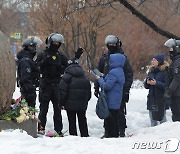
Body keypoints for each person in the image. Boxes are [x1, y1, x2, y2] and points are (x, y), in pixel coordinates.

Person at [94, 35, 133, 137]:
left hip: (118, 89)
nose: (111, 46)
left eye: (113, 44)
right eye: (109, 44)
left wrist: (126, 90)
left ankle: (121, 130)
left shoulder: (122, 59)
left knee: (119, 111)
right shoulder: (105, 58)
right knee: (107, 110)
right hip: (106, 87)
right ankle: (108, 131)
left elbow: (129, 75)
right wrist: (96, 87)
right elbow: (98, 72)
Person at [36, 33, 68, 135]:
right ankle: (41, 129)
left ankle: (58, 130)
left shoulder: (61, 56)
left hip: (56, 86)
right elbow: (35, 67)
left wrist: (62, 69)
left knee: (57, 110)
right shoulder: (42, 54)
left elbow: (67, 68)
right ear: (49, 42)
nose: (56, 44)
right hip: (45, 85)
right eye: (54, 42)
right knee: (43, 109)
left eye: (58, 43)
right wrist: (43, 63)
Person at [59, 49, 91, 137]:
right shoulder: (84, 76)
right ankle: (85, 135)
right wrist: (85, 101)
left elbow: (62, 91)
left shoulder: (66, 76)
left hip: (70, 105)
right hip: (82, 104)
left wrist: (61, 103)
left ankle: (73, 136)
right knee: (82, 119)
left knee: (71, 120)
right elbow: (89, 93)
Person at [96, 53, 125, 138]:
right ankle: (115, 134)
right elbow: (112, 82)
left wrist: (99, 79)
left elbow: (107, 86)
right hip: (117, 99)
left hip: (110, 99)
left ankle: (110, 135)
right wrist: (104, 76)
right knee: (115, 118)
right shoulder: (120, 70)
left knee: (109, 119)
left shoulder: (113, 72)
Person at [144, 54, 169, 126]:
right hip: (152, 98)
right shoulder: (151, 71)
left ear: (159, 61)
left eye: (155, 60)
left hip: (161, 99)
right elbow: (146, 86)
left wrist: (156, 83)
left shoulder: (165, 72)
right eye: (152, 60)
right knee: (152, 119)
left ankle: (165, 134)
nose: (153, 61)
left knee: (162, 118)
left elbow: (167, 86)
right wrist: (147, 82)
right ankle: (153, 135)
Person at [17, 37, 42, 107]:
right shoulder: (25, 61)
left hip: (28, 90)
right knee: (28, 111)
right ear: (29, 47)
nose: (35, 49)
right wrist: (30, 90)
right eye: (34, 47)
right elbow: (26, 77)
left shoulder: (28, 59)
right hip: (27, 92)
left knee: (29, 112)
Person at [164, 38, 180, 122]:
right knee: (175, 114)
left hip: (177, 94)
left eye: (172, 49)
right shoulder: (174, 61)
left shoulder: (178, 61)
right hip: (175, 93)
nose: (170, 51)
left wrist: (170, 90)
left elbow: (177, 78)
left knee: (177, 115)